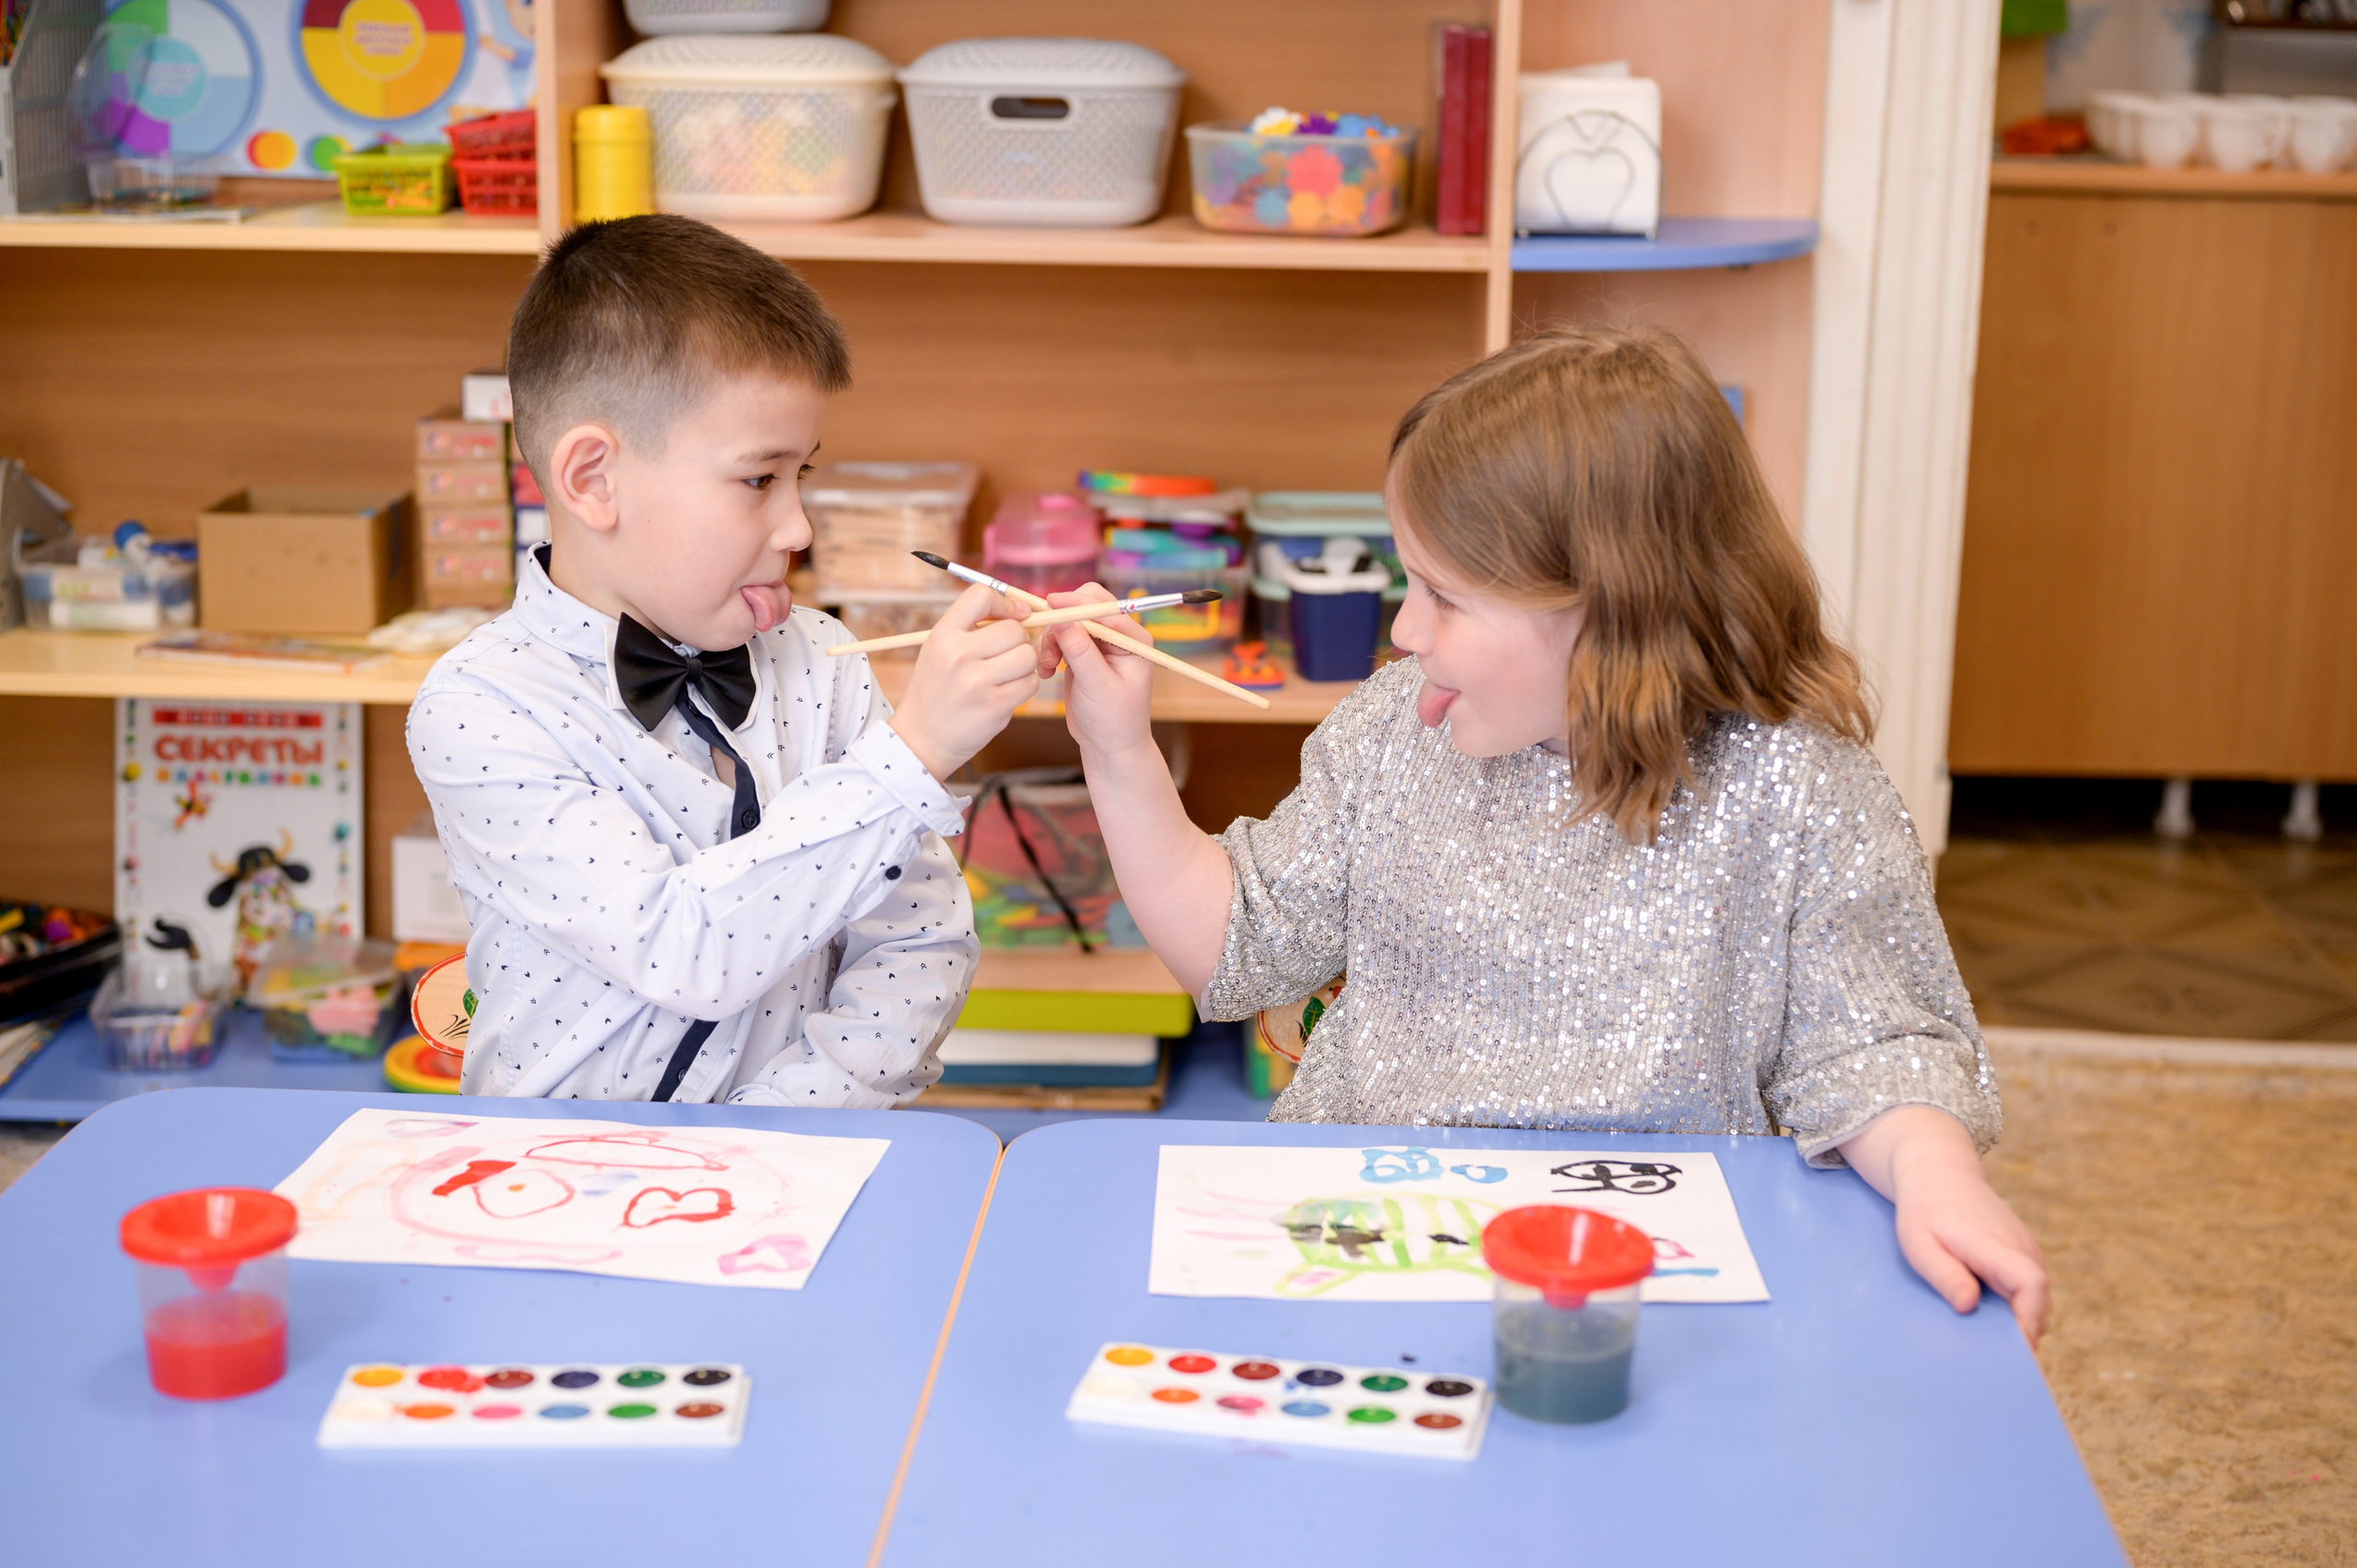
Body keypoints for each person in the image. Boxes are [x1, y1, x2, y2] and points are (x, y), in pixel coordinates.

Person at [1042, 322, 2050, 1341]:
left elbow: (1874, 1053)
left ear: (1613, 609)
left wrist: (1936, 1177)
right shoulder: (1395, 729)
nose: (1403, 630)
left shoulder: (1801, 792)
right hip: (1378, 1248)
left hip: (1641, 1284)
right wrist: (1118, 749)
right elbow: (1234, 942)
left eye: (1443, 594)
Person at [409, 215, 1039, 1104]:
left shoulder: (824, 657)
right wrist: (911, 755)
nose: (799, 527)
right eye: (758, 480)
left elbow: (917, 942)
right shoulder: (481, 707)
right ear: (594, 479)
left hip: (806, 1164)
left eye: (802, 477)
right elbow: (679, 945)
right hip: (559, 1177)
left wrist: (785, 1130)